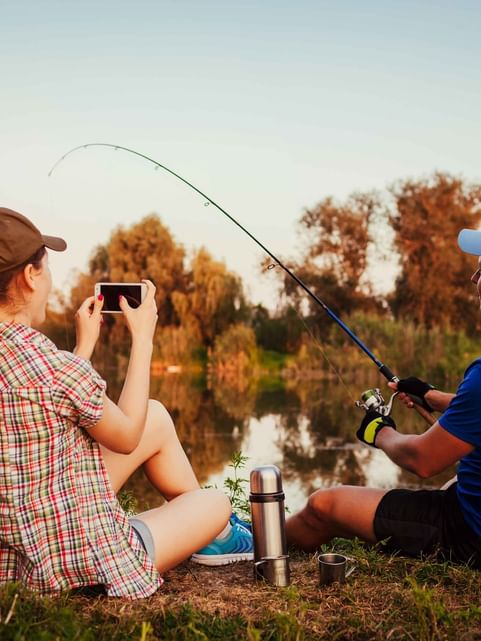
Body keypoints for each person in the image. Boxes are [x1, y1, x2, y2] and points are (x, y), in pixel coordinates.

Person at [0, 207, 252, 599]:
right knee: (215, 501)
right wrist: (144, 337)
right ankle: (217, 534)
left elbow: (54, 410)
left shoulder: (54, 367)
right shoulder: (52, 365)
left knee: (154, 413)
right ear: (31, 276)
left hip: (14, 550)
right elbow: (127, 437)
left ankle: (214, 538)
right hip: (75, 565)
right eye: (46, 268)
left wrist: (84, 347)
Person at [286, 228, 481, 568]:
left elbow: (423, 460)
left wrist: (380, 432)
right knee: (454, 481)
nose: (474, 276)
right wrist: (431, 396)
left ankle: (257, 545)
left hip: (467, 532)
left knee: (323, 505)